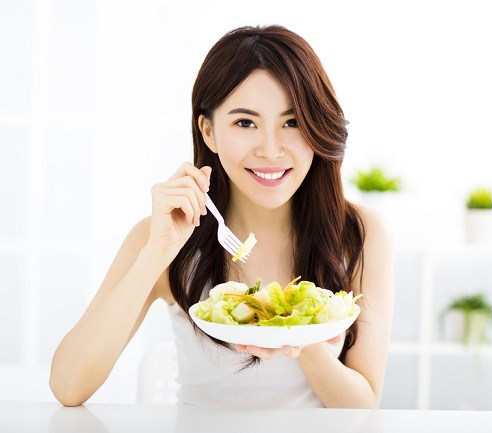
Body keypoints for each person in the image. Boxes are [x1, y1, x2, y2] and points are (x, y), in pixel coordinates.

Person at [49, 24, 394, 409]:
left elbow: (362, 407)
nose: (270, 149)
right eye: (245, 123)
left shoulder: (360, 234)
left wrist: (300, 338)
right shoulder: (162, 237)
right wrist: (156, 253)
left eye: (292, 122)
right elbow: (68, 386)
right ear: (208, 132)